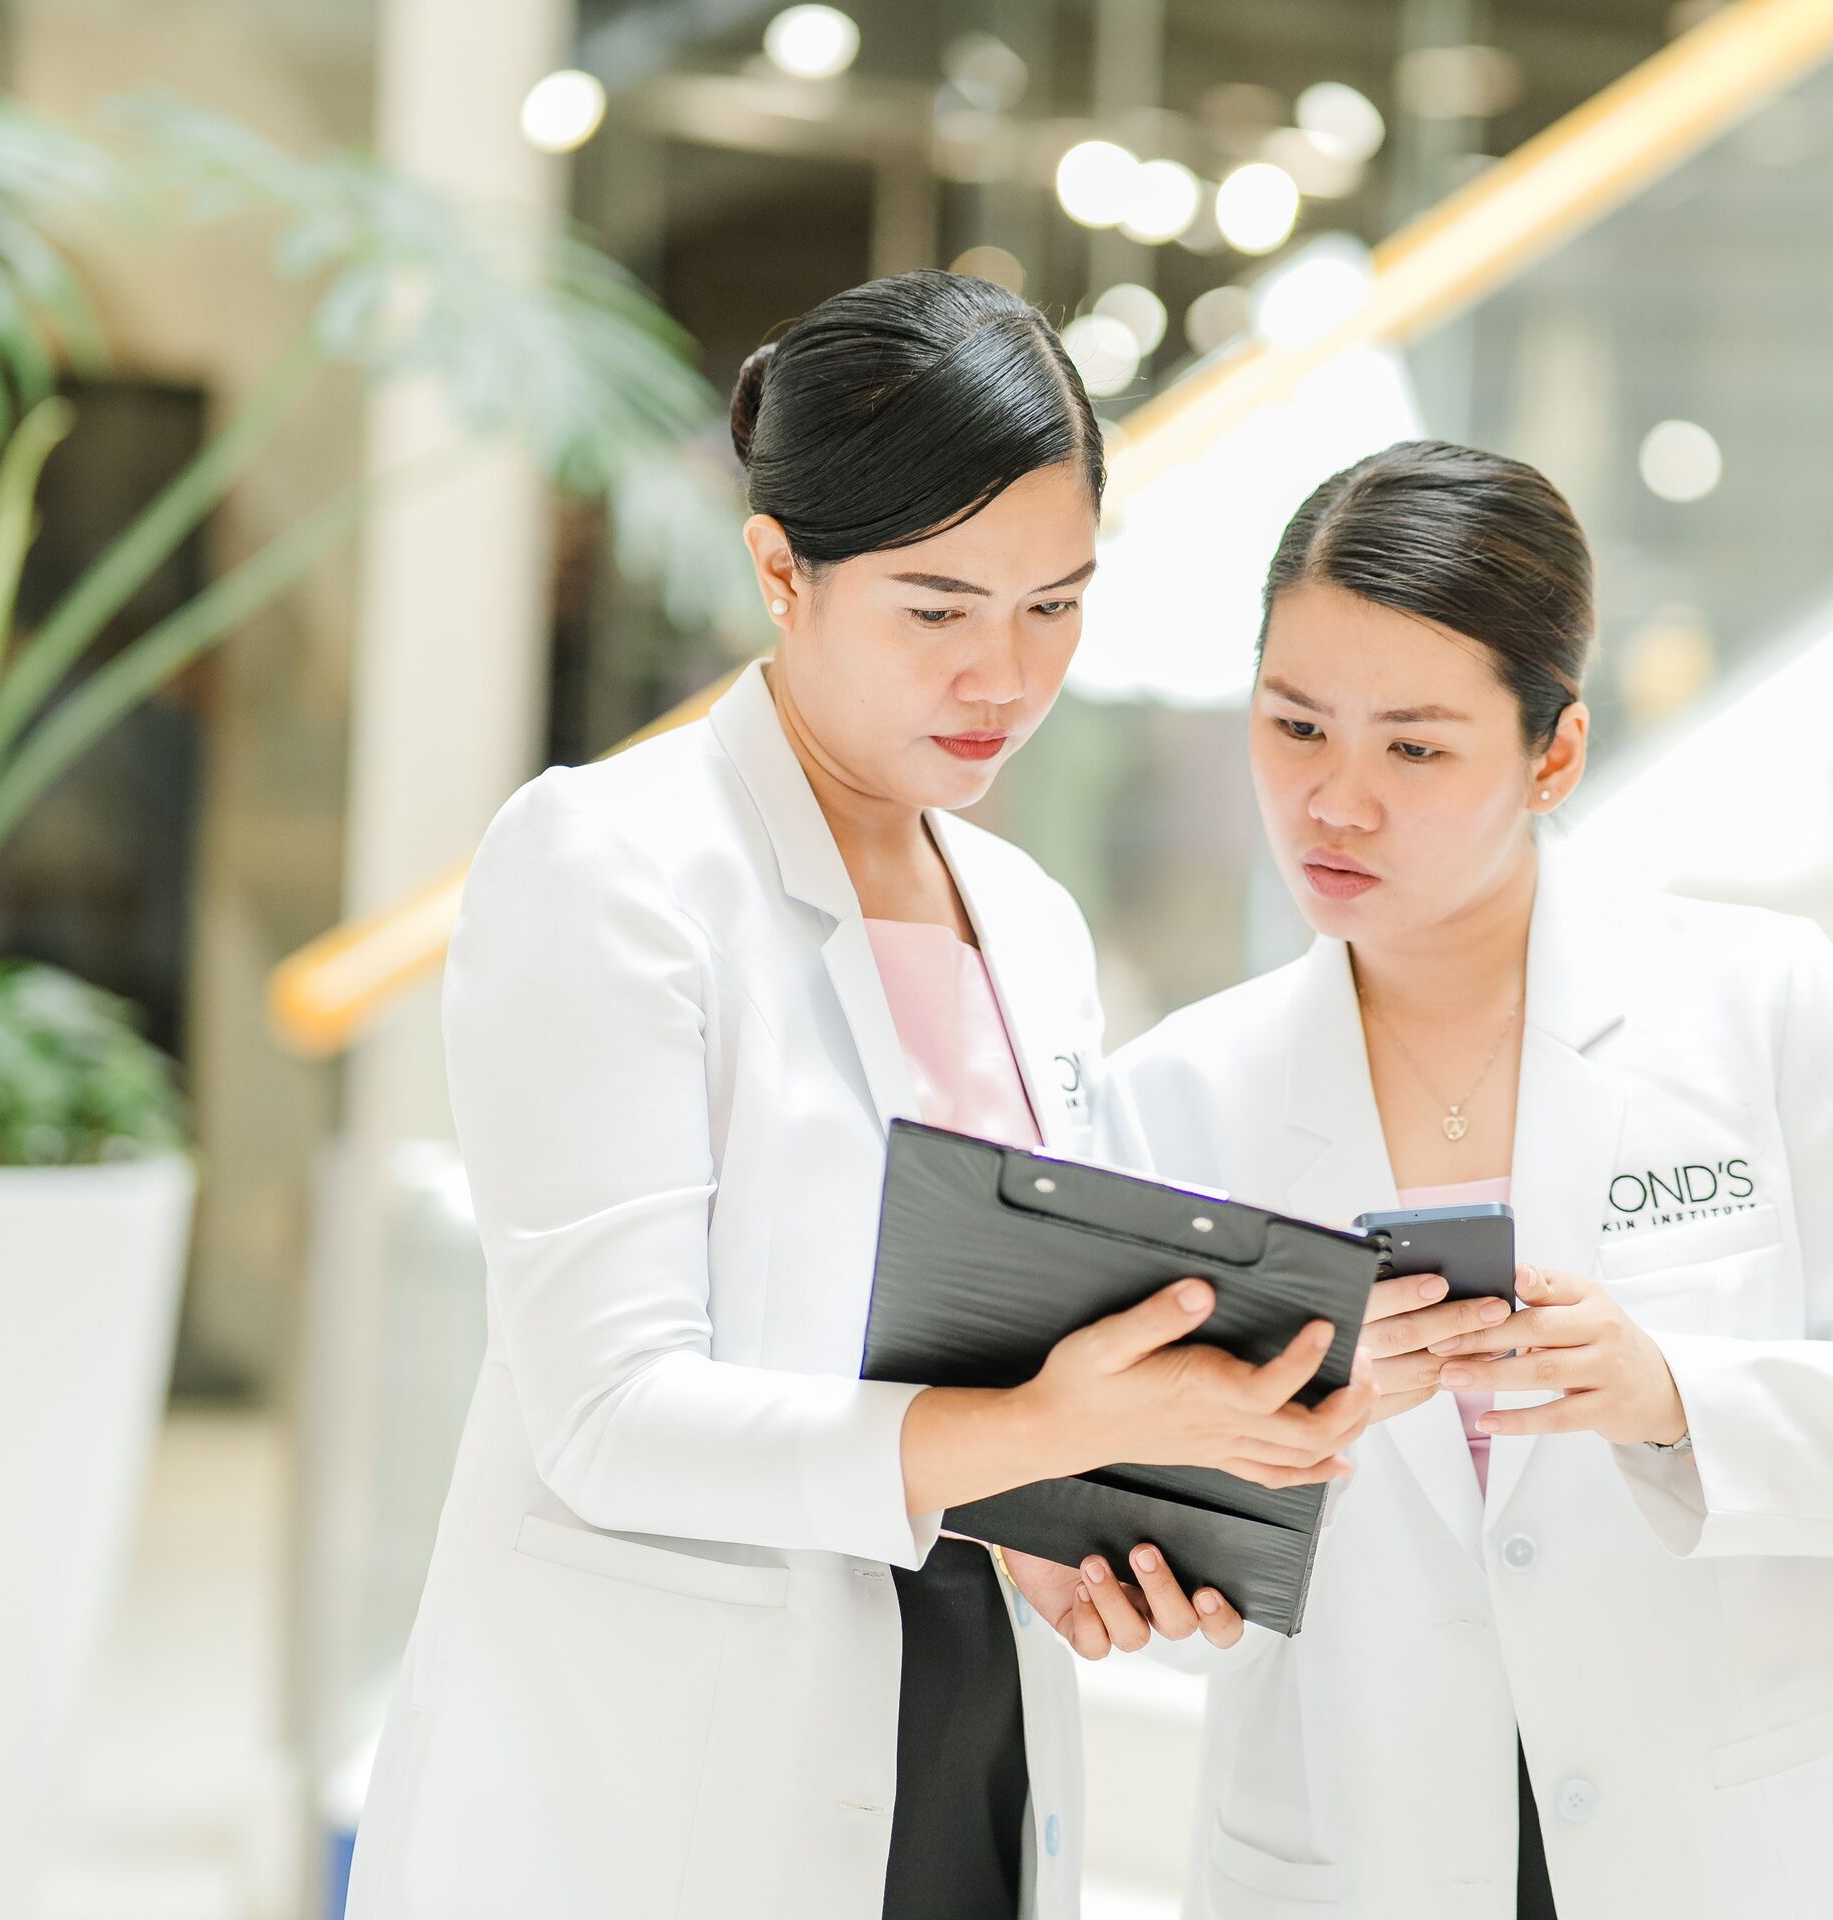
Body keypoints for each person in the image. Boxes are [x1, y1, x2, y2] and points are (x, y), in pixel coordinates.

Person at [347, 270, 1357, 1920]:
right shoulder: (611, 866)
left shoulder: (1026, 921)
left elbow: (969, 1355)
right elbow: (609, 1415)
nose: (1005, 678)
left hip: (960, 1743)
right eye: (936, 607)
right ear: (778, 572)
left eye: (1055, 607)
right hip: (657, 1791)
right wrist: (1041, 1431)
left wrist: (1080, 1512)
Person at [1113, 439, 1833, 1919]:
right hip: (1362, 1855)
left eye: (1415, 747)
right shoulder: (1179, 1095)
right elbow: (1159, 1586)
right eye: (1294, 726)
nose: (1334, 801)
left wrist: (1670, 1396)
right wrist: (1260, 1460)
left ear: (1553, 754)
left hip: (1740, 1857)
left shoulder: (1765, 1008)